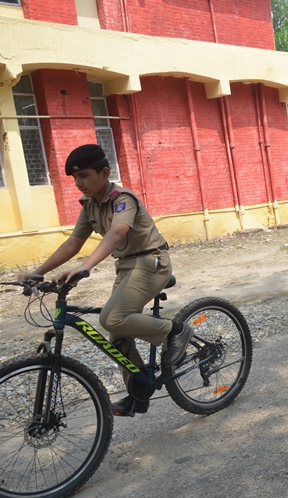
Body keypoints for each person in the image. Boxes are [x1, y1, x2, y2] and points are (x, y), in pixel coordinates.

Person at [17, 144, 193, 417]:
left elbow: (116, 234)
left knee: (111, 318)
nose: (79, 183)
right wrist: (38, 272)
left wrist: (84, 268)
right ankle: (138, 393)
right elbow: (74, 242)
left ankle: (176, 331)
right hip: (126, 268)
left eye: (84, 176)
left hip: (151, 263)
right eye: (75, 179)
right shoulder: (90, 207)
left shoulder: (122, 199)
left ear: (104, 173)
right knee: (118, 334)